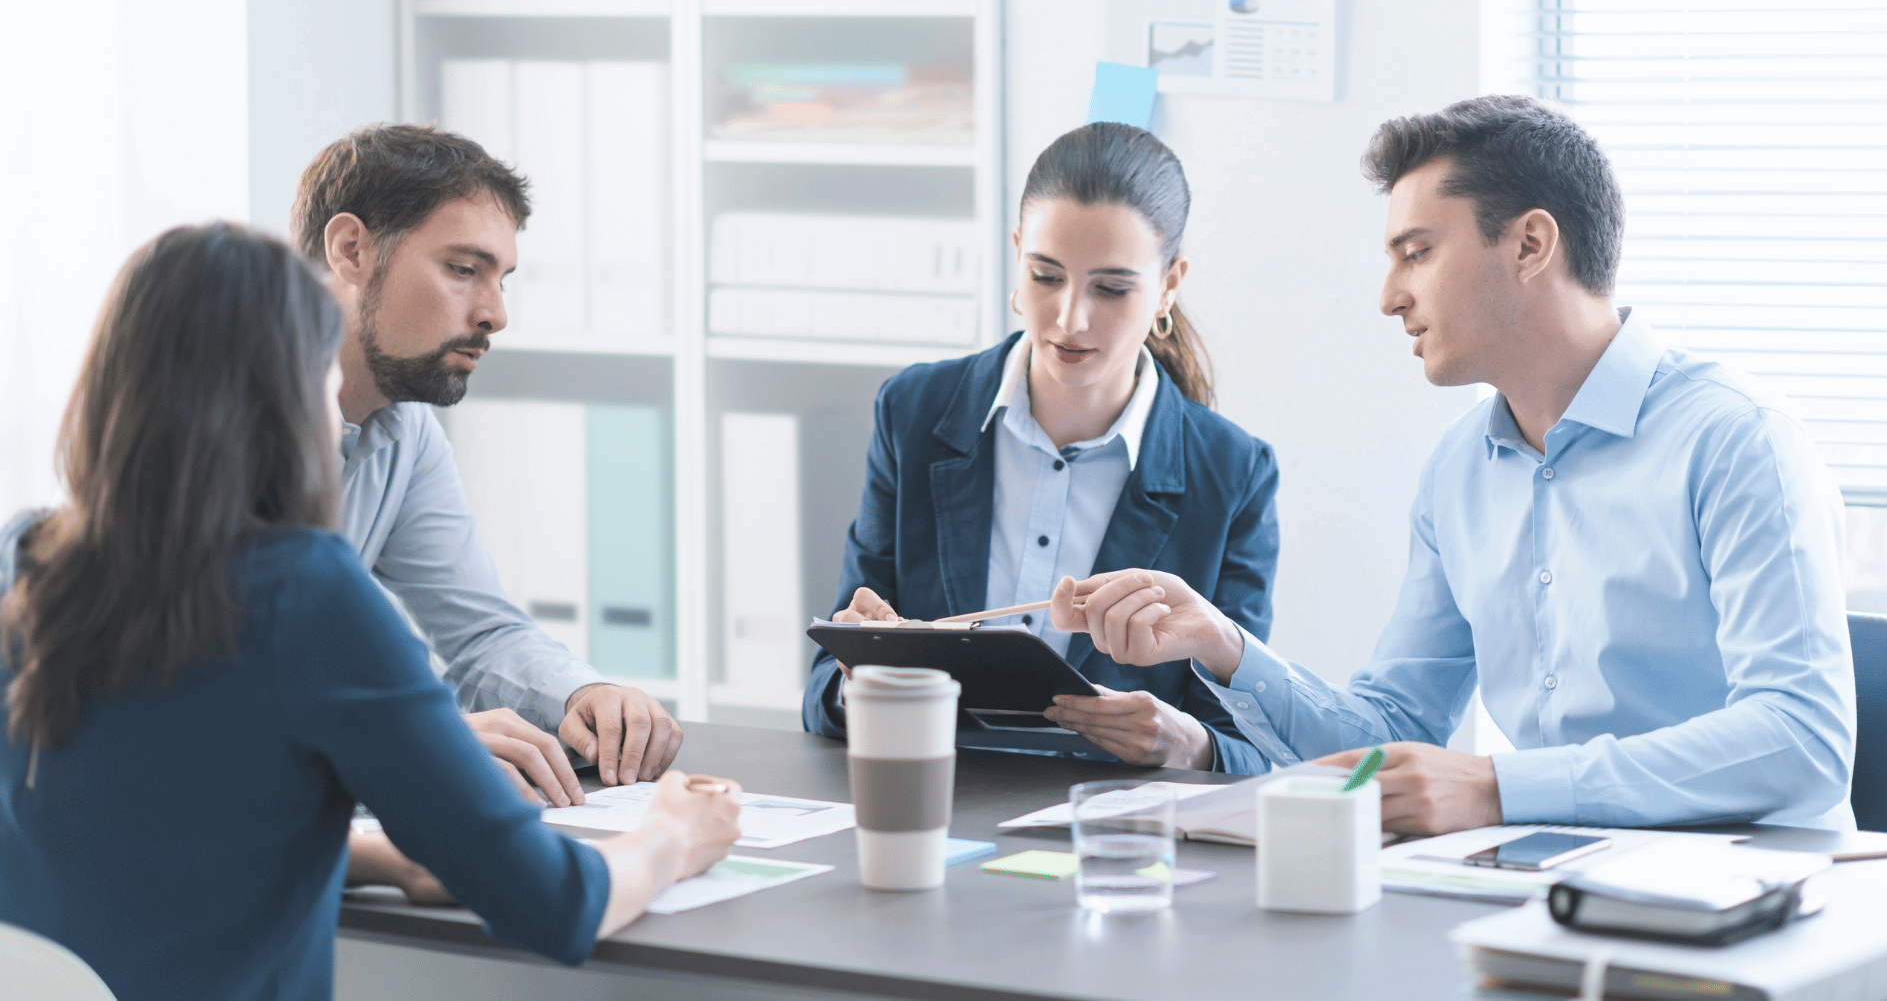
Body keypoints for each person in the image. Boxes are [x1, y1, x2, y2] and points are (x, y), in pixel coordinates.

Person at [1056, 95, 1857, 830]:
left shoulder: (1738, 441)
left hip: (1749, 903)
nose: (1389, 297)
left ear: (1531, 245)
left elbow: (1802, 739)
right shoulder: (1459, 472)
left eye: (1417, 253)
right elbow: (1393, 732)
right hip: (1548, 884)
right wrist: (1222, 643)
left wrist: (1501, 790)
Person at [0, 224, 740, 1001]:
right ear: (287, 397)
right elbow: (553, 903)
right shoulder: (305, 591)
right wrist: (674, 836)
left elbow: (132, 827)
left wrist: (385, 859)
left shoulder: (31, 558)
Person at [802, 123, 1278, 773]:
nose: (1070, 318)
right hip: (932, 800)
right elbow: (822, 685)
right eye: (1046, 275)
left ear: (1169, 284)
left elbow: (1252, 746)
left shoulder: (1232, 473)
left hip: (1116, 829)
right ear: (1018, 253)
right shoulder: (914, 413)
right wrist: (857, 684)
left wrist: (1187, 744)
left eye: (1111, 288)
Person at [291, 124, 679, 802]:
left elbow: (480, 635)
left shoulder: (404, 428)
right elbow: (191, 694)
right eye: (463, 270)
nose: (495, 314)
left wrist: (583, 694)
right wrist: (412, 735)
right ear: (352, 250)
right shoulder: (215, 420)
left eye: (501, 280)